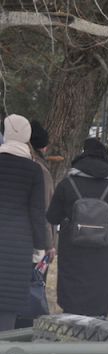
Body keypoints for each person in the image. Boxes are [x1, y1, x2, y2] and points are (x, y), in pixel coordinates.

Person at [46, 138, 108, 317]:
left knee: (72, 308)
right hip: (105, 256)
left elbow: (52, 217)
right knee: (99, 307)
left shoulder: (67, 184)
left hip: (73, 255)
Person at [0, 114, 50, 331]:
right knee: (8, 305)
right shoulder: (33, 170)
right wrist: (40, 246)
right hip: (18, 244)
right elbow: (37, 212)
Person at [15, 120, 58, 328]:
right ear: (43, 147)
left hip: (17, 238)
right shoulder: (39, 170)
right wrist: (49, 244)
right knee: (32, 289)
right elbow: (44, 209)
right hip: (35, 241)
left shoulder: (18, 163)